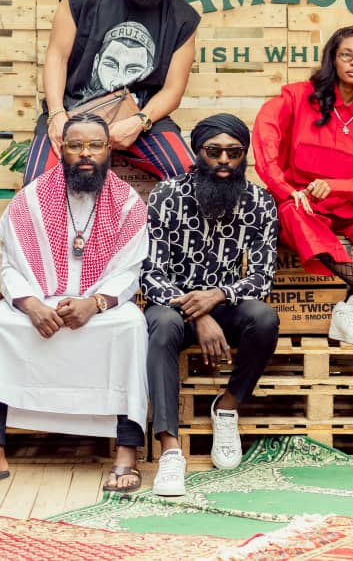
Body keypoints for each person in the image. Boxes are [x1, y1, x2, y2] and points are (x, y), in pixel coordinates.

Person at [0, 113, 149, 493]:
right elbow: (10, 266)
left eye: (95, 145)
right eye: (76, 145)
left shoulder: (127, 203)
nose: (85, 153)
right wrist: (31, 305)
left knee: (131, 326)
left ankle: (126, 452)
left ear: (108, 150)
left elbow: (130, 270)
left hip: (100, 306)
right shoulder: (30, 199)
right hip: (39, 302)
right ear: (61, 149)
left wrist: (94, 304)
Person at [253, 25, 353, 347]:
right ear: (333, 59)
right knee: (292, 211)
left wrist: (339, 187)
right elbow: (265, 135)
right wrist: (286, 189)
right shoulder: (298, 97)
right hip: (305, 204)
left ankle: (349, 307)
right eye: (346, 55)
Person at [143, 114, 280, 496]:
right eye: (214, 151)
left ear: (244, 155)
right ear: (197, 152)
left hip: (225, 303)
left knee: (264, 318)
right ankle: (171, 450)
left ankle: (228, 407)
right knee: (163, 326)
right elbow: (151, 274)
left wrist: (217, 297)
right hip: (172, 304)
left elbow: (262, 276)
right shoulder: (167, 195)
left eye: (233, 153)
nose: (223, 160)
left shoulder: (259, 201)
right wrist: (198, 313)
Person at [23, 0, 201, 184]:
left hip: (140, 117)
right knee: (36, 185)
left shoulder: (182, 18)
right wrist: (56, 114)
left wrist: (140, 121)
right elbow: (57, 57)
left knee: (189, 180)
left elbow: (173, 90)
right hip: (73, 110)